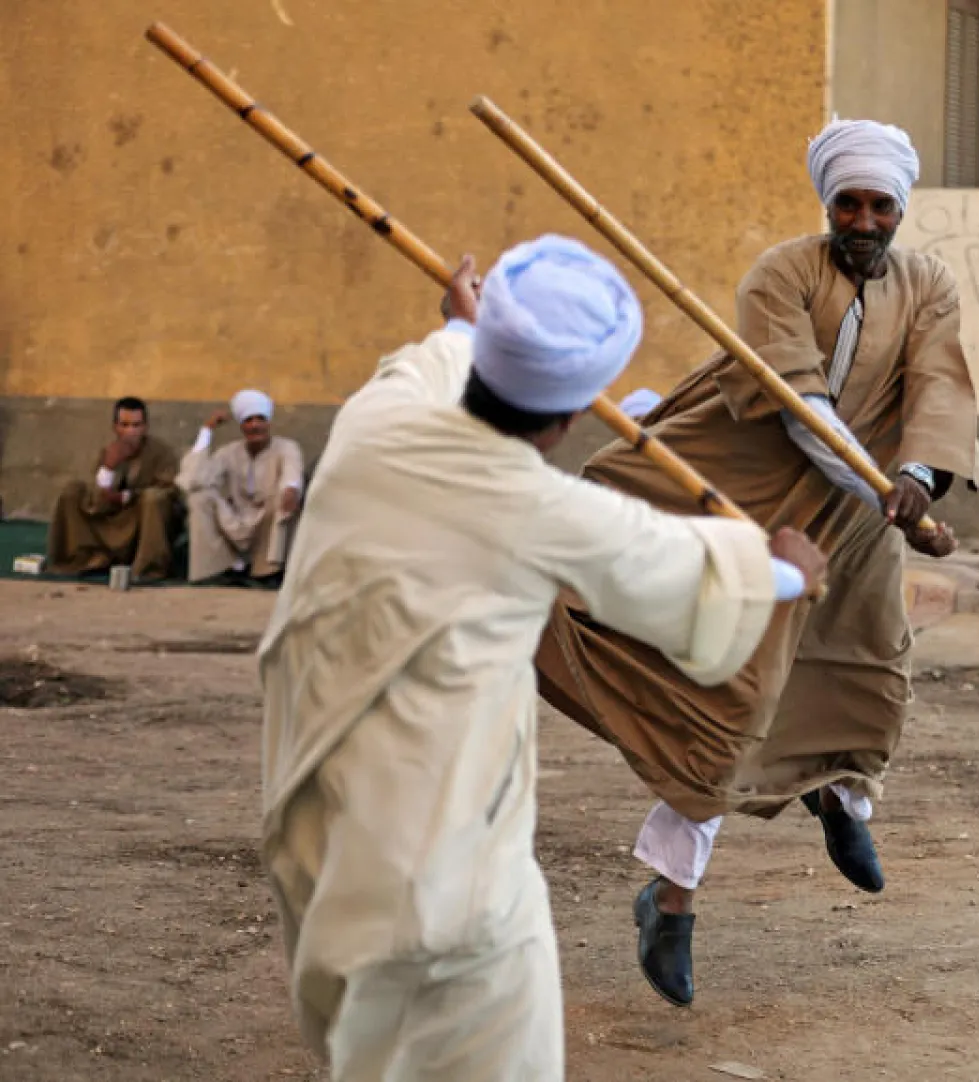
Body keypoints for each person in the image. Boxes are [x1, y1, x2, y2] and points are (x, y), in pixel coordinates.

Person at [256, 235, 828, 1082]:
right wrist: (788, 570)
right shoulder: (543, 508)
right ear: (571, 417)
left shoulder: (379, 417)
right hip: (441, 874)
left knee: (366, 1048)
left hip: (312, 819)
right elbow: (687, 574)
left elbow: (437, 355)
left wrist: (462, 321)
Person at [533, 116, 979, 1006]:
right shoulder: (779, 273)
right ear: (829, 204)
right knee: (729, 706)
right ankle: (670, 901)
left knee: (868, 676)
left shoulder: (928, 284)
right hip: (746, 501)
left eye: (879, 205)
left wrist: (918, 479)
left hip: (858, 523)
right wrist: (876, 485)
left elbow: (937, 382)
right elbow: (797, 406)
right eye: (847, 203)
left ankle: (842, 801)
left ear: (900, 209)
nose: (862, 221)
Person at [176, 389, 305, 583]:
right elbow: (193, 481)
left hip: (268, 520)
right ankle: (218, 569)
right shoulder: (228, 452)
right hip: (237, 521)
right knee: (199, 498)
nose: (255, 426)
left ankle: (269, 571)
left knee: (282, 498)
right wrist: (207, 431)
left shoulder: (286, 447)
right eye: (248, 420)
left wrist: (291, 489)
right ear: (241, 426)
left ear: (268, 422)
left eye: (260, 419)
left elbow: (292, 475)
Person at [45, 396, 180, 581]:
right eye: (124, 425)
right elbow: (95, 499)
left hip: (141, 521)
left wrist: (127, 497)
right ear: (115, 427)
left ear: (145, 427)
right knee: (71, 492)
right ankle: (87, 557)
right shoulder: (105, 451)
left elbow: (169, 492)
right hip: (108, 516)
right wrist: (108, 467)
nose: (130, 431)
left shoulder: (162, 453)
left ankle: (148, 567)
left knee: (153, 498)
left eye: (136, 425)